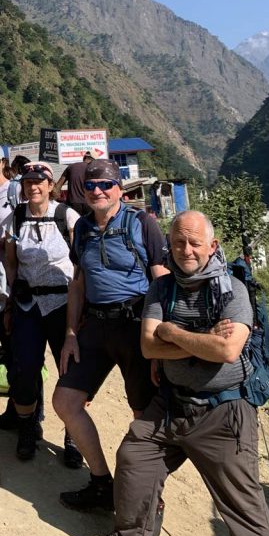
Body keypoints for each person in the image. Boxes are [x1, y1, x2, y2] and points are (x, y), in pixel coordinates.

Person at [83, 211, 269, 536]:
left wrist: (172, 333)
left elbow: (228, 353)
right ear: (168, 246)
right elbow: (149, 347)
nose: (186, 250)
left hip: (224, 411)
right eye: (178, 243)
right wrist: (199, 340)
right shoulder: (161, 287)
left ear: (212, 247)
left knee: (240, 503)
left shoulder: (234, 290)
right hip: (171, 404)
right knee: (135, 456)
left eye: (194, 243)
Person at [52, 158, 167, 512]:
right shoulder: (82, 229)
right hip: (96, 326)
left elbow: (161, 282)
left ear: (120, 188)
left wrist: (160, 346)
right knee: (65, 402)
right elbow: (78, 283)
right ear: (83, 192)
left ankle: (146, 499)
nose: (98, 191)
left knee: (141, 417)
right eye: (91, 186)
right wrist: (70, 334)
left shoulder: (142, 223)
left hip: (135, 325)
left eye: (105, 185)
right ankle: (102, 483)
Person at [3, 161, 82, 466]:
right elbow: (11, 262)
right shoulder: (16, 218)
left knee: (70, 370)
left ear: (51, 186)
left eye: (39, 182)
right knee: (24, 369)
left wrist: (81, 309)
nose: (33, 186)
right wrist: (11, 298)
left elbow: (79, 266)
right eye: (27, 182)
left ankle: (73, 432)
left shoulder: (67, 216)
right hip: (27, 305)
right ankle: (28, 426)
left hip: (63, 304)